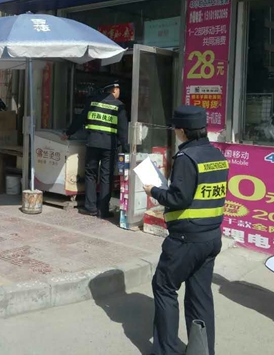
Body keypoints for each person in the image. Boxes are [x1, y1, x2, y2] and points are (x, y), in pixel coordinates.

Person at [143, 106, 228, 355]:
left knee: (164, 286)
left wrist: (154, 190)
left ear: (181, 130)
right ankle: (202, 351)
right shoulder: (216, 155)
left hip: (185, 239)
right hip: (211, 237)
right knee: (200, 296)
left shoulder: (186, 157)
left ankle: (166, 351)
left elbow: (178, 198)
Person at [63, 81, 128, 218]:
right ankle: (103, 210)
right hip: (109, 146)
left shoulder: (92, 101)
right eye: (118, 89)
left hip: (93, 143)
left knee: (91, 174)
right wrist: (127, 149)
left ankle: (90, 207)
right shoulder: (119, 105)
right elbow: (123, 131)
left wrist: (69, 132)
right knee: (106, 177)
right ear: (114, 90)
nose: (119, 92)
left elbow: (81, 118)